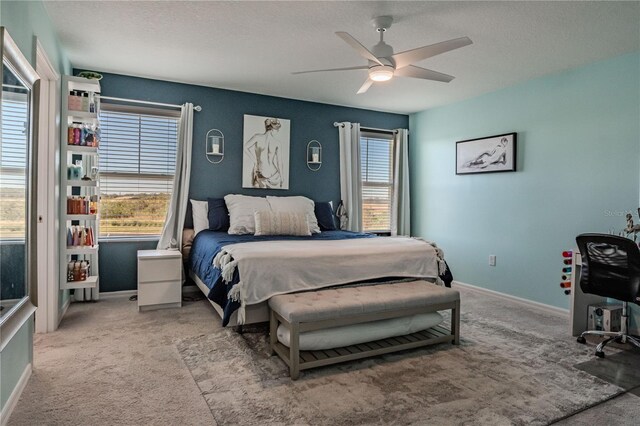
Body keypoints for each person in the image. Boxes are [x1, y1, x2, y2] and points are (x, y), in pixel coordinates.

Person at [244, 118, 284, 188]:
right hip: (274, 174)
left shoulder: (257, 137)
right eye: (277, 129)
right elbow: (279, 162)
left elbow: (245, 147)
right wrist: (282, 177)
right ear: (273, 129)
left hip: (262, 172)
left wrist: (255, 161)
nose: (278, 131)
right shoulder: (277, 143)